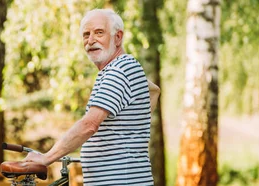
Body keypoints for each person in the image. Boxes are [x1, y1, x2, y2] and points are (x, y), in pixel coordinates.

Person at [23, 9, 159, 185]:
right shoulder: (124, 67)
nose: (91, 40)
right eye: (86, 35)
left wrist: (46, 158)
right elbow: (154, 90)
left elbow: (89, 124)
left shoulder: (118, 71)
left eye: (99, 33)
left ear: (118, 37)